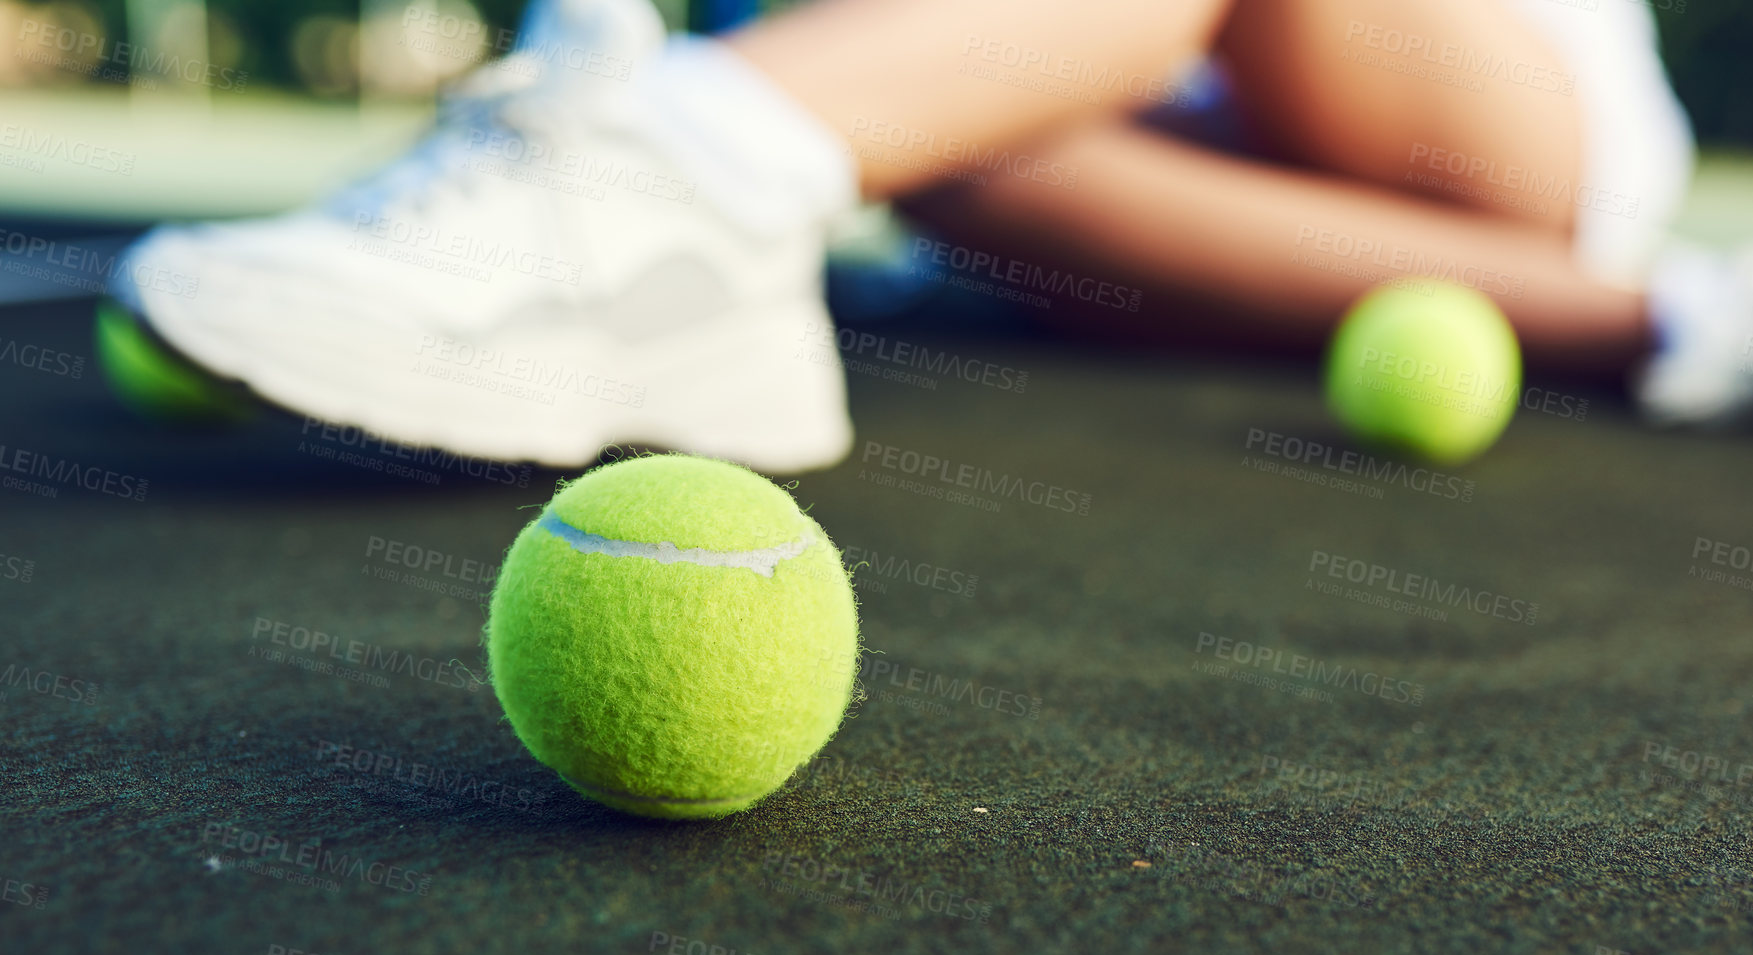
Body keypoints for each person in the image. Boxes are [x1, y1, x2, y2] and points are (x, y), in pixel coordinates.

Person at [107, 0, 1746, 475]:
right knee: (956, 166)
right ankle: (1660, 320)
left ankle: (676, 165)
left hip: (1484, 105)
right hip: (1172, 183)